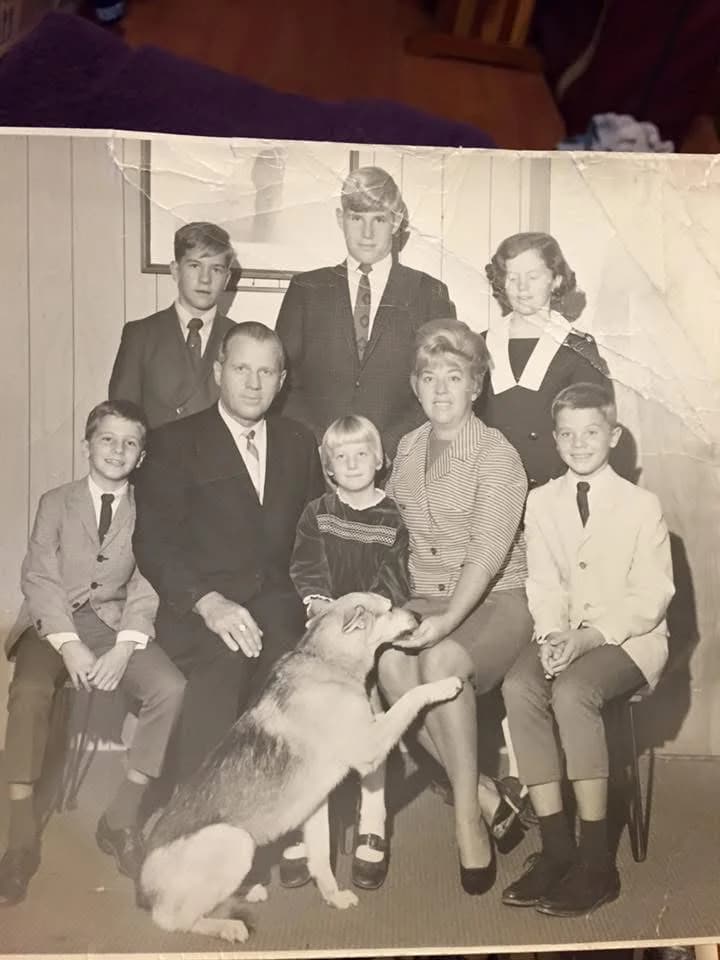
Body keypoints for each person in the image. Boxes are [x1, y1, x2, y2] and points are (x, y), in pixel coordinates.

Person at [0, 400, 186, 906]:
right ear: (87, 445)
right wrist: (69, 646)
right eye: (107, 439)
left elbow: (148, 582)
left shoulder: (151, 509)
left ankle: (120, 820)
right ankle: (19, 842)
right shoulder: (55, 502)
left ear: (141, 456)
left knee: (170, 688)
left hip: (115, 626)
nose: (117, 450)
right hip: (53, 625)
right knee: (30, 692)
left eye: (130, 443)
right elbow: (39, 578)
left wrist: (125, 647)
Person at [501, 382, 674, 917]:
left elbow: (652, 598)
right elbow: (544, 583)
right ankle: (557, 850)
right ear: (555, 439)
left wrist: (588, 638)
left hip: (630, 639)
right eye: (568, 435)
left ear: (614, 435)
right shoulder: (541, 501)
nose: (579, 444)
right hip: (566, 632)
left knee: (573, 691)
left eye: (591, 432)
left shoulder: (642, 505)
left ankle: (597, 864)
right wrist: (553, 636)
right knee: (519, 685)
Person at [377, 318, 534, 896]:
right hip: (425, 596)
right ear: (415, 387)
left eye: (454, 376)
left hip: (495, 598)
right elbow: (392, 535)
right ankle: (485, 792)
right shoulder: (408, 447)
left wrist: (444, 622)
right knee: (389, 664)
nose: (440, 388)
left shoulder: (497, 455)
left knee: (440, 662)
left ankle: (466, 820)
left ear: (476, 385)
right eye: (429, 377)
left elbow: (487, 555)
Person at [132, 321, 325, 785]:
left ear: (281, 380)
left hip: (279, 607)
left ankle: (272, 810)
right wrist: (208, 603)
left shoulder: (299, 442)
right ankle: (199, 809)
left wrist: (318, 601)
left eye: (266, 372)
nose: (253, 383)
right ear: (219, 371)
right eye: (241, 369)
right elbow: (153, 543)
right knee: (225, 664)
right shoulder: (173, 442)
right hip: (202, 609)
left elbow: (315, 536)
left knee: (297, 672)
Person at [289, 414, 410, 891]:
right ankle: (307, 818)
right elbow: (307, 564)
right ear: (329, 466)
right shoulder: (318, 512)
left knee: (366, 715)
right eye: (342, 456)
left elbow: (394, 577)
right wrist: (319, 603)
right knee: (310, 716)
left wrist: (365, 613)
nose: (353, 463)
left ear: (380, 460)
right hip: (324, 628)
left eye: (363, 454)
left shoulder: (392, 517)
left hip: (369, 630)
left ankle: (372, 817)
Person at [275, 165, 457, 459]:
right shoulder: (306, 289)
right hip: (317, 458)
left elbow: (441, 386)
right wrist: (321, 444)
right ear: (340, 219)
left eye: (379, 219)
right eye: (356, 218)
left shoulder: (428, 293)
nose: (367, 233)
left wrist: (388, 448)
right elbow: (281, 382)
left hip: (399, 460)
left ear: (396, 221)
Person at [475, 231, 611, 491]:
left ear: (556, 279)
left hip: (557, 487)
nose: (522, 287)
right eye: (512, 277)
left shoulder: (578, 349)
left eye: (533, 277)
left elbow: (591, 430)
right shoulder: (481, 344)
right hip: (493, 486)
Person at [109, 222, 236, 429]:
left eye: (216, 269)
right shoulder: (141, 335)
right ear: (175, 270)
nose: (205, 279)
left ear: (227, 279)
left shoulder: (238, 338)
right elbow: (121, 420)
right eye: (194, 266)